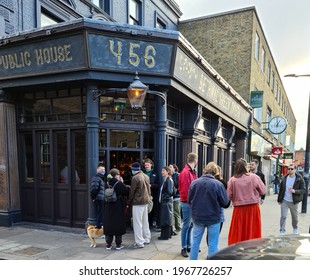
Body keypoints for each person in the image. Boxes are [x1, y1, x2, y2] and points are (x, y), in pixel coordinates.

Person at [188, 162, 229, 260]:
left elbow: (189, 199)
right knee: (213, 244)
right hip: (214, 217)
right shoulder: (218, 184)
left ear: (205, 170)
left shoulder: (194, 182)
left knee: (195, 243)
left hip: (198, 217)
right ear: (215, 172)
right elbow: (225, 203)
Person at [227, 158, 266, 245]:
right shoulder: (254, 177)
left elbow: (229, 195)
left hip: (238, 208)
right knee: (252, 229)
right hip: (253, 208)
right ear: (246, 167)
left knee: (238, 230)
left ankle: (237, 247)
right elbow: (263, 190)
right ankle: (253, 246)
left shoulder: (232, 180)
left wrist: (235, 198)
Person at [104, 168, 130, 250]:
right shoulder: (119, 183)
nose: (119, 176)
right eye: (119, 174)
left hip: (108, 206)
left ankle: (108, 244)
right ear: (116, 175)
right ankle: (118, 244)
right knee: (118, 224)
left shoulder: (107, 183)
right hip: (118, 206)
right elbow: (126, 191)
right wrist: (122, 183)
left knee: (109, 224)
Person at [128, 162, 152, 249]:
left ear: (133, 169)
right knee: (145, 221)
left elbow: (132, 191)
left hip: (137, 202)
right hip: (145, 201)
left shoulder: (135, 178)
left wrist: (128, 202)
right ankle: (147, 238)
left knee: (137, 223)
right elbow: (149, 190)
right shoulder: (146, 176)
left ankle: (139, 242)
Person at [178, 152, 198, 257]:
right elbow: (186, 190)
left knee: (190, 225)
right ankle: (184, 247)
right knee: (186, 225)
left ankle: (189, 245)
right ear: (195, 161)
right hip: (187, 202)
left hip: (190, 202)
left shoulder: (191, 171)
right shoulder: (186, 172)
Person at [277, 164, 306, 235]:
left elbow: (303, 190)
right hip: (285, 201)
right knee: (283, 216)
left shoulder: (299, 178)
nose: (290, 170)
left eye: (291, 169)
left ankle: (295, 228)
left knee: (295, 218)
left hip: (294, 201)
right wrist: (279, 200)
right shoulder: (284, 178)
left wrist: (295, 191)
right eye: (289, 169)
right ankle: (282, 230)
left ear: (295, 170)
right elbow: (281, 189)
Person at [142, 158, 159, 231]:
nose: (146, 166)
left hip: (151, 195)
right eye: (145, 165)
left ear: (151, 165)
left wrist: (150, 185)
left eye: (148, 165)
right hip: (143, 195)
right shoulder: (142, 173)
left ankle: (151, 224)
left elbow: (157, 185)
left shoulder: (155, 174)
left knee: (151, 210)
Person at [158, 166, 174, 240]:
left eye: (163, 170)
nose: (162, 172)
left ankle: (165, 236)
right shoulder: (167, 180)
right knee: (166, 219)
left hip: (166, 202)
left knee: (166, 219)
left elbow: (170, 192)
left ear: (168, 171)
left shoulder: (168, 180)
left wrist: (164, 198)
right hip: (166, 202)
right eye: (162, 170)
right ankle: (167, 235)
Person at [214, 165, 231, 233]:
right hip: (219, 208)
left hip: (208, 208)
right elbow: (226, 196)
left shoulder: (207, 181)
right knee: (217, 231)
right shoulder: (223, 182)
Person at [90, 163, 106, 228]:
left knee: (101, 214)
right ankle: (98, 228)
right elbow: (94, 189)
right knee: (100, 215)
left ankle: (99, 228)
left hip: (101, 198)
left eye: (103, 169)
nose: (102, 171)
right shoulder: (96, 178)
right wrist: (93, 197)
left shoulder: (101, 178)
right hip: (99, 199)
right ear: (97, 170)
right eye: (101, 169)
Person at [169, 163, 181, 235]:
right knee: (172, 213)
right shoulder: (170, 176)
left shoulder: (177, 175)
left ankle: (178, 228)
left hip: (176, 197)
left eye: (170, 167)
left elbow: (179, 185)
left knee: (176, 212)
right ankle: (173, 228)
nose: (169, 168)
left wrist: (175, 191)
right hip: (171, 197)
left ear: (174, 168)